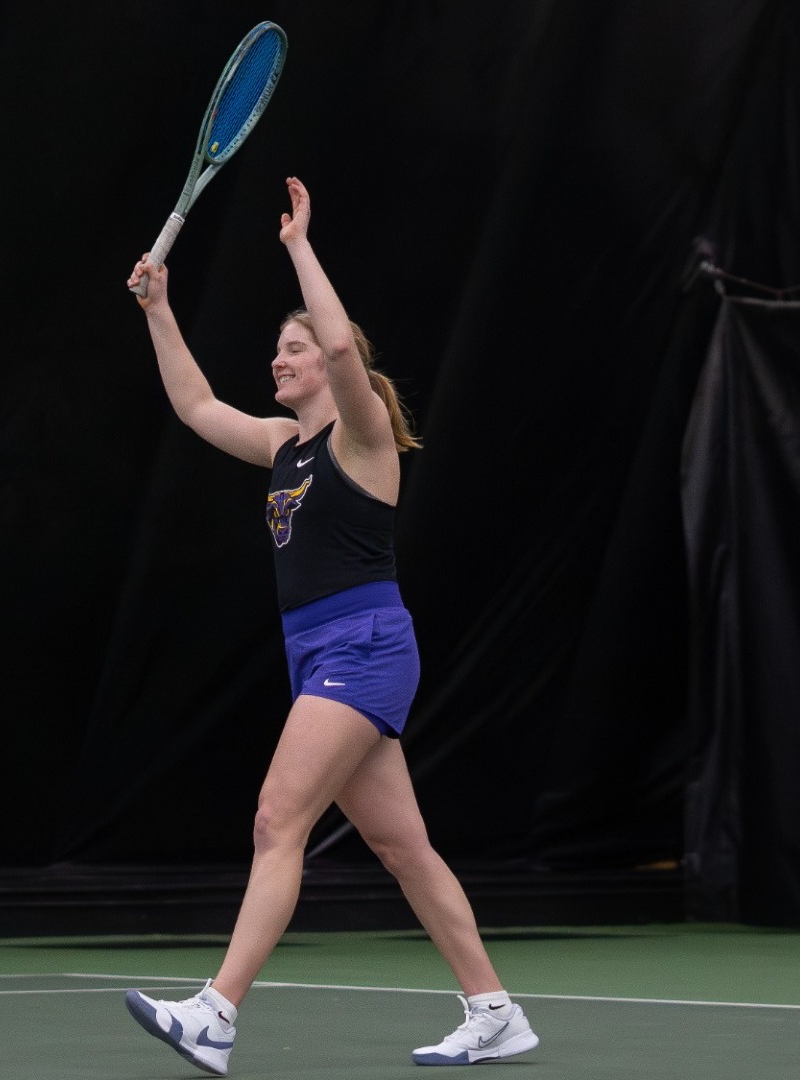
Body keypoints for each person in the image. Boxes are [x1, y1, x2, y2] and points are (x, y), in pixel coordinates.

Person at [119, 177, 539, 1074]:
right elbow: (196, 408)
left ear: (329, 365)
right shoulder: (281, 448)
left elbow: (344, 341)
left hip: (366, 646)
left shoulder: (362, 438)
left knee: (278, 820)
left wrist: (299, 246)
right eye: (278, 349)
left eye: (293, 348)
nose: (281, 359)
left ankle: (217, 1015)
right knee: (403, 847)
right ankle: (495, 1010)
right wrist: (159, 308)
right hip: (317, 654)